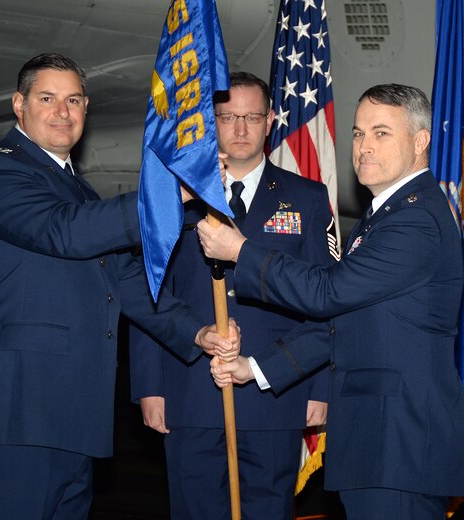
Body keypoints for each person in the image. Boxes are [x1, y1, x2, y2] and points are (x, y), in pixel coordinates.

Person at [0, 53, 239, 520]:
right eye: (47, 98)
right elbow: (64, 232)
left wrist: (197, 333)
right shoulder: (0, 175)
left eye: (74, 100)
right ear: (19, 105)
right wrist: (168, 193)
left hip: (71, 417)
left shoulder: (78, 192)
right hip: (15, 414)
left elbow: (125, 282)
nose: (63, 112)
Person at [198, 83, 464, 519]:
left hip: (399, 443)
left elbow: (329, 292)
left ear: (420, 142)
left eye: (381, 133)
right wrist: (255, 368)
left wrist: (241, 252)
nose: (364, 146)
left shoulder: (416, 220)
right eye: (358, 133)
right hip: (378, 442)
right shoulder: (388, 212)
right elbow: (344, 321)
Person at [128, 72, 337, 519]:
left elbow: (326, 299)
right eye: (227, 117)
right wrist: (150, 385)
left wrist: (320, 386)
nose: (240, 129)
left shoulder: (307, 198)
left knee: (268, 509)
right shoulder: (174, 198)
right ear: (211, 121)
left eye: (251, 116)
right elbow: (150, 292)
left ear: (271, 121)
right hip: (189, 389)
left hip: (275, 392)